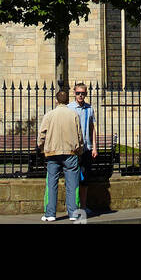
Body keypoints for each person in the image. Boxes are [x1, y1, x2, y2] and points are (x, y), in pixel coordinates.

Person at [37, 89, 85, 222]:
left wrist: (42, 148)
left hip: (53, 153)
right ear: (67, 100)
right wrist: (79, 151)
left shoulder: (49, 115)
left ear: (56, 100)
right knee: (72, 184)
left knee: (51, 183)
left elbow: (41, 135)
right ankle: (73, 214)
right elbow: (80, 136)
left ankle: (50, 214)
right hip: (70, 153)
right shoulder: (73, 114)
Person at [69, 82, 97, 216]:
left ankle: (84, 206)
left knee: (85, 179)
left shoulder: (89, 108)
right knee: (73, 179)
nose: (80, 95)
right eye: (78, 93)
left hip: (86, 148)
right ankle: (74, 207)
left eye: (83, 93)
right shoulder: (69, 108)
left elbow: (92, 128)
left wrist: (94, 147)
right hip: (74, 149)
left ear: (86, 94)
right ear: (74, 93)